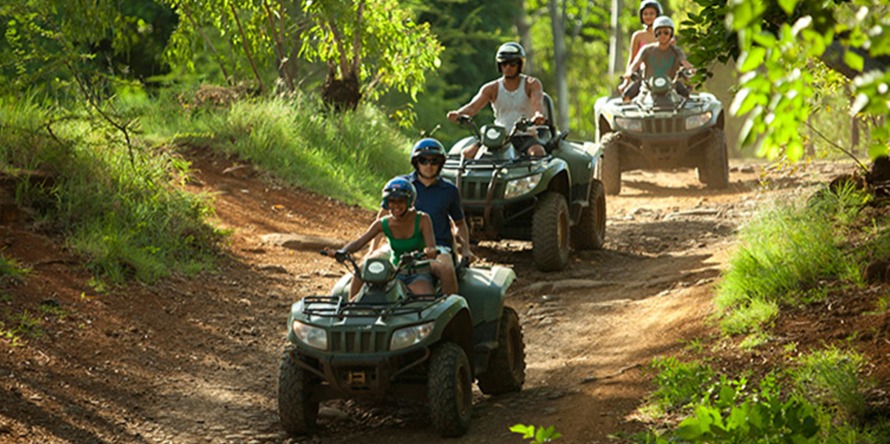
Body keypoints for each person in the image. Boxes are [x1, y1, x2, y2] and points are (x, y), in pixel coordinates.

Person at [369, 138, 473, 296]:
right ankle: (355, 308)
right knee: (372, 263)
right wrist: (372, 249)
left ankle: (450, 308)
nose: (429, 166)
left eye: (434, 161)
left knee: (446, 268)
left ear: (440, 163)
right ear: (416, 162)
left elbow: (459, 223)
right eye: (423, 160)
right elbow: (382, 219)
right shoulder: (402, 185)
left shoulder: (450, 190)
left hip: (437, 246)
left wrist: (465, 249)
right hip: (398, 245)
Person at [335, 177, 438, 299]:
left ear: (410, 201)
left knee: (426, 301)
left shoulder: (423, 219)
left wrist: (429, 251)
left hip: (418, 272)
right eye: (392, 201)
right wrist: (342, 252)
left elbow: (431, 247)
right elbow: (361, 241)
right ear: (386, 202)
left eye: (401, 201)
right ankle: (351, 309)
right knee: (361, 272)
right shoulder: (382, 223)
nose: (396, 205)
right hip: (393, 273)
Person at [446, 42, 548, 159]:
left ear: (520, 65)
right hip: (497, 136)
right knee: (466, 154)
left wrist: (538, 115)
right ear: (499, 65)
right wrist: (458, 114)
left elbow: (537, 103)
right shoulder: (491, 88)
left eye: (512, 63)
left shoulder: (531, 84)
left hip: (524, 135)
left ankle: (534, 178)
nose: (508, 67)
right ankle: (466, 177)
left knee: (537, 152)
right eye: (504, 63)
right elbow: (472, 107)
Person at [622, 15, 696, 102]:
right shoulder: (646, 49)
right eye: (659, 33)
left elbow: (685, 62)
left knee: (687, 100)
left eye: (666, 33)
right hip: (647, 89)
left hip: (671, 88)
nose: (662, 35)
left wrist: (692, 70)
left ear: (671, 34)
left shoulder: (676, 51)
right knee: (630, 101)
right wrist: (629, 72)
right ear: (655, 34)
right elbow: (635, 64)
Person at [619, 0, 663, 95]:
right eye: (645, 14)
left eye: (651, 13)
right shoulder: (638, 36)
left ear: (657, 15)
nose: (648, 16)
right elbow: (632, 59)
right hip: (643, 76)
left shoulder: (664, 35)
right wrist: (626, 80)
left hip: (663, 74)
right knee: (627, 95)